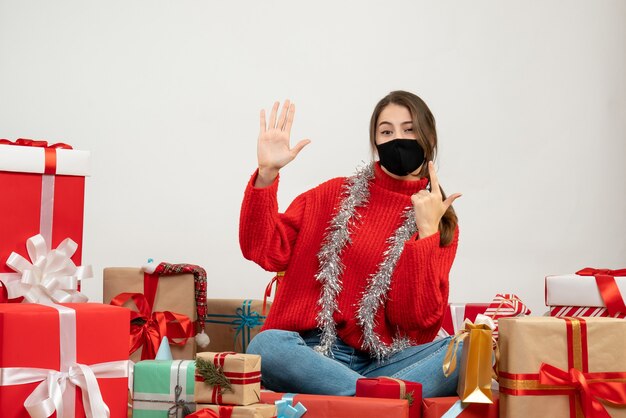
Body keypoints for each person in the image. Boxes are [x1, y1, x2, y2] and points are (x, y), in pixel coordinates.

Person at [240, 91, 461, 397]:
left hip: (382, 363)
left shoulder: (440, 223)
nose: (398, 138)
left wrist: (425, 233)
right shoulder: (332, 195)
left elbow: (416, 323)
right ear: (375, 143)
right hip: (311, 353)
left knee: (467, 350)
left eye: (409, 129)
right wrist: (267, 173)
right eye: (386, 131)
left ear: (429, 138)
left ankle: (364, 399)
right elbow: (262, 249)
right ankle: (379, 402)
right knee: (266, 346)